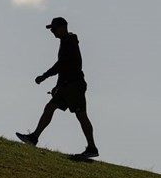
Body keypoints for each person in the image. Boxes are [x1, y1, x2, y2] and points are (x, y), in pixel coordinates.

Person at [16, 16, 99, 158]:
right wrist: (58, 86)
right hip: (67, 85)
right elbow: (64, 66)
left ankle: (92, 148)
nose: (52, 31)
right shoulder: (66, 41)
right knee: (50, 107)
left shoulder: (69, 42)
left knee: (81, 115)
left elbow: (61, 65)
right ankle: (34, 137)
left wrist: (44, 76)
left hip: (74, 85)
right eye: (51, 29)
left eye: (54, 28)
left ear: (63, 27)